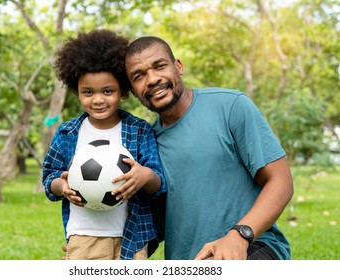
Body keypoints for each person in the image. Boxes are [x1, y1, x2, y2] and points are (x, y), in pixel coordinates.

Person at [124, 36, 294, 260]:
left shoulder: (231, 106)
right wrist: (93, 248)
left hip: (253, 248)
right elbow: (153, 225)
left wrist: (239, 236)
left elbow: (280, 181)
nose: (153, 79)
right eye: (139, 76)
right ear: (134, 91)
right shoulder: (146, 145)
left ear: (178, 66)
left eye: (160, 66)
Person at [42, 30, 166, 260]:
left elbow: (159, 183)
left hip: (134, 234)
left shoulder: (139, 130)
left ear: (122, 90)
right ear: (77, 92)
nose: (98, 100)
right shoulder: (68, 133)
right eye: (88, 92)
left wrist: (145, 176)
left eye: (107, 91)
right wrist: (62, 186)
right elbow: (49, 177)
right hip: (84, 235)